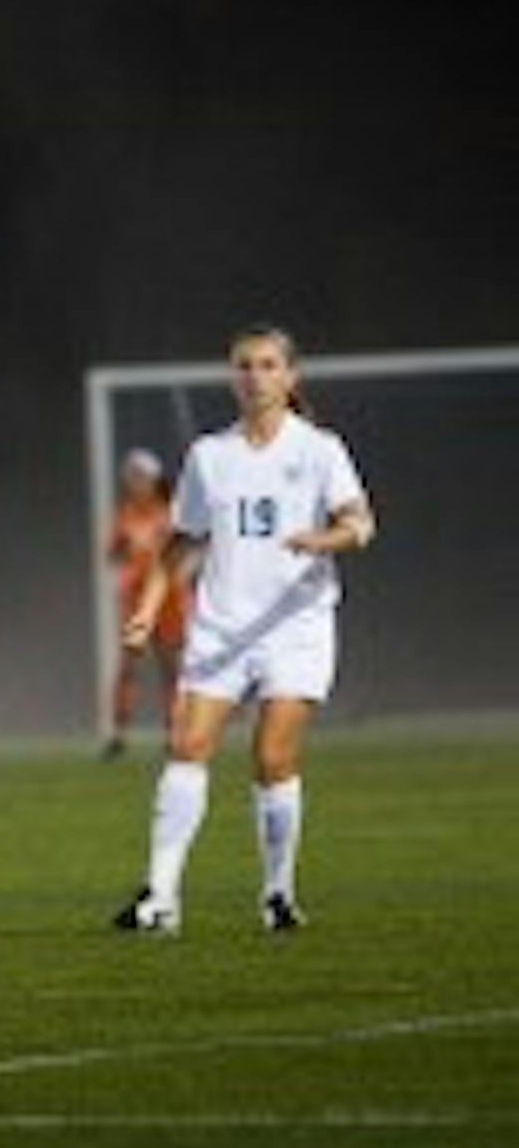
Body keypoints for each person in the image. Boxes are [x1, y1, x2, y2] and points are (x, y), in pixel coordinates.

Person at [114, 325, 376, 935]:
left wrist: (325, 538)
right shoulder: (211, 455)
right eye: (245, 366)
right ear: (233, 378)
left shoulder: (319, 450)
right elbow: (180, 545)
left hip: (296, 627)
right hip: (222, 627)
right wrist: (149, 609)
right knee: (186, 747)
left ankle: (278, 894)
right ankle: (160, 897)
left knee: (272, 757)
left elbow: (361, 524)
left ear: (291, 376)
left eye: (267, 365)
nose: (255, 377)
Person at [101, 448, 191, 760]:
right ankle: (118, 734)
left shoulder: (170, 513)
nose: (136, 483)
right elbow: (112, 553)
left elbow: (188, 549)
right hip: (136, 600)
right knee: (128, 666)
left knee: (171, 667)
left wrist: (181, 570)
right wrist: (126, 567)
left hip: (169, 599)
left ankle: (174, 732)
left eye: (141, 477)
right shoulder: (125, 515)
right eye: (132, 477)